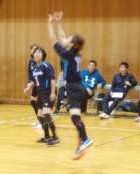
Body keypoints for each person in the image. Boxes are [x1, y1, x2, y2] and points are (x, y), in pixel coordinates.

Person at [48, 10, 93, 159]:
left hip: (73, 88)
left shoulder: (67, 54)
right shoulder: (76, 52)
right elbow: (62, 38)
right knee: (77, 119)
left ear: (72, 43)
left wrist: (50, 23)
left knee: (75, 118)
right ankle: (80, 148)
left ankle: (85, 140)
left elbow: (54, 40)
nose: (66, 38)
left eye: (69, 38)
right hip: (80, 88)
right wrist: (59, 22)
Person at [24, 47, 58, 145]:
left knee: (46, 113)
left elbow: (52, 79)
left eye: (39, 52)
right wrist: (28, 88)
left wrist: (53, 92)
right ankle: (46, 136)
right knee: (39, 115)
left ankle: (55, 137)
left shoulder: (46, 65)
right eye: (35, 52)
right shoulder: (35, 67)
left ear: (43, 55)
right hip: (40, 93)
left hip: (48, 92)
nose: (36, 54)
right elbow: (34, 81)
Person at [27, 44, 42, 128]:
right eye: (33, 49)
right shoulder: (31, 61)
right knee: (33, 102)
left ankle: (42, 121)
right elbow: (30, 72)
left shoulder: (39, 60)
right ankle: (40, 120)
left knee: (37, 102)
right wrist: (29, 82)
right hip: (34, 84)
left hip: (40, 84)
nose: (34, 51)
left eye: (36, 49)